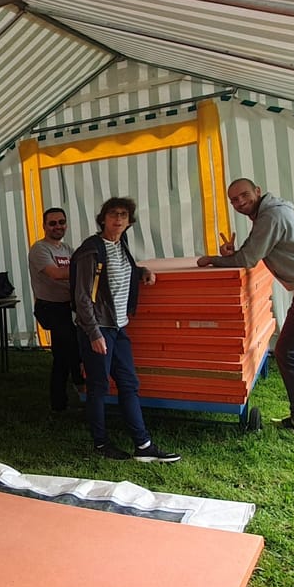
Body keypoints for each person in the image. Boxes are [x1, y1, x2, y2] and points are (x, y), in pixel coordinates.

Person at [197, 178, 294, 440]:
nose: (239, 202)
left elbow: (248, 258)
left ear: (258, 192)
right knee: (285, 350)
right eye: (233, 200)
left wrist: (213, 259)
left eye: (244, 195)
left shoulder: (272, 216)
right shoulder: (266, 216)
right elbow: (251, 251)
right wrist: (231, 254)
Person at [72, 197, 181, 462]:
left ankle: (143, 446)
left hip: (119, 327)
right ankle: (101, 445)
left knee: (129, 384)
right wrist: (94, 333)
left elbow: (123, 271)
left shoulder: (121, 244)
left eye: (123, 215)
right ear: (103, 219)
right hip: (98, 329)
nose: (118, 219)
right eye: (113, 214)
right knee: (98, 387)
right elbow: (82, 298)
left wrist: (141, 270)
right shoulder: (91, 251)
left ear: (129, 221)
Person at [28, 207, 84, 412]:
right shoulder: (40, 249)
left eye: (61, 222)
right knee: (70, 351)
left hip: (67, 306)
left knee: (63, 355)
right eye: (52, 223)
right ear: (44, 226)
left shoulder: (67, 248)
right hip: (50, 307)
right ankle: (80, 391)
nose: (57, 226)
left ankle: (60, 403)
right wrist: (85, 270)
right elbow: (56, 274)